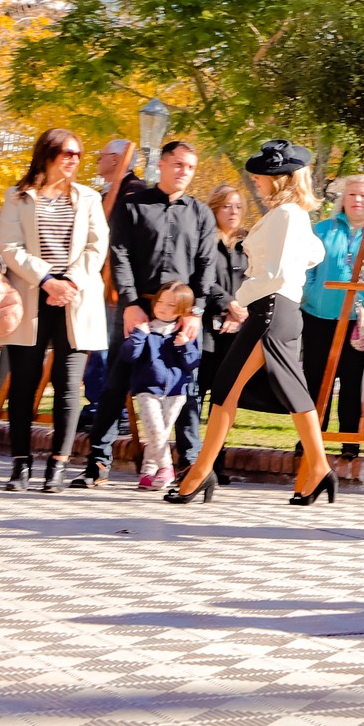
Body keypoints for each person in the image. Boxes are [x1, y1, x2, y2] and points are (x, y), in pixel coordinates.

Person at [167, 140, 330, 505]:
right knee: (290, 393)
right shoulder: (293, 215)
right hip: (282, 311)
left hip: (270, 310)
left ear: (282, 179)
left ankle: (199, 473)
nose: (255, 179)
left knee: (226, 388)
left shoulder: (287, 215)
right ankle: (318, 468)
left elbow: (274, 274)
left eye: (263, 175)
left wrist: (237, 301)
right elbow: (314, 254)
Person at [71, 141, 215, 488]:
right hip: (138, 308)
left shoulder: (200, 213)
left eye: (190, 167)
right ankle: (98, 463)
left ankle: (190, 464)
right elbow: (117, 255)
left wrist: (195, 311)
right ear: (162, 165)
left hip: (182, 313)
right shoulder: (133, 205)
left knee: (185, 388)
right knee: (115, 383)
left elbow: (206, 264)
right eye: (178, 164)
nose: (184, 171)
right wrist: (132, 303)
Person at [0, 129, 108, 493]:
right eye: (67, 153)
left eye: (78, 154)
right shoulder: (17, 196)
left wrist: (69, 282)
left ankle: (58, 465)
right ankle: (20, 464)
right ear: (47, 154)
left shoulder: (89, 198)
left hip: (74, 299)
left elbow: (96, 246)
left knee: (68, 385)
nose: (74, 159)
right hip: (30, 297)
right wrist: (46, 280)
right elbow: (9, 246)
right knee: (24, 385)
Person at [303, 174, 364, 457]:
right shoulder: (322, 230)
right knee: (316, 381)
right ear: (342, 200)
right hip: (319, 317)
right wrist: (309, 292)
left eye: (363, 195)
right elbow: (306, 269)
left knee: (354, 382)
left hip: (361, 323)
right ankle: (311, 439)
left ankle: (350, 441)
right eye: (351, 194)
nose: (356, 200)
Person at [123, 282, 200, 491]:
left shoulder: (184, 332)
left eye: (171, 305)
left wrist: (184, 346)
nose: (163, 308)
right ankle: (166, 468)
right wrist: (138, 336)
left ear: (183, 309)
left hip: (176, 392)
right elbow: (129, 355)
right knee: (155, 430)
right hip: (147, 389)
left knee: (161, 432)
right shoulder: (145, 329)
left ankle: (148, 472)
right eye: (160, 302)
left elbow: (193, 363)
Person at [204, 183, 250, 484]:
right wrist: (227, 304)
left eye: (237, 206)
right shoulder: (206, 240)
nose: (232, 212)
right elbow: (203, 279)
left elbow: (257, 280)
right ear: (215, 209)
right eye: (226, 206)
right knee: (196, 394)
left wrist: (241, 310)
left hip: (238, 330)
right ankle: (192, 458)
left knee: (224, 398)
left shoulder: (249, 244)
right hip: (207, 326)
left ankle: (215, 462)